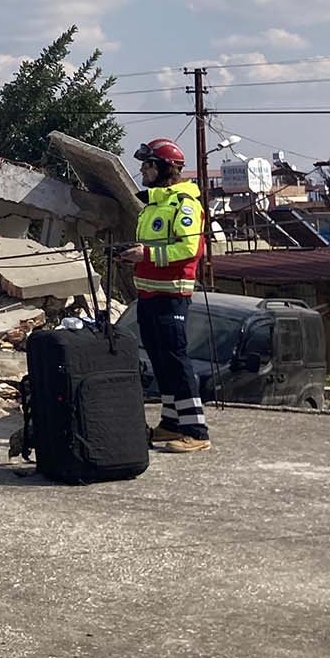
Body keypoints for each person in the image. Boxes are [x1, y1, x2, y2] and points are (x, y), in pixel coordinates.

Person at [126, 139, 210, 452]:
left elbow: (189, 248)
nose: (142, 171)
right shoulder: (153, 205)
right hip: (148, 294)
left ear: (165, 168)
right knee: (161, 361)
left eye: (147, 165)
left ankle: (196, 431)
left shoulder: (184, 204)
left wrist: (146, 255)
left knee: (176, 359)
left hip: (171, 294)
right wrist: (134, 255)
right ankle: (171, 424)